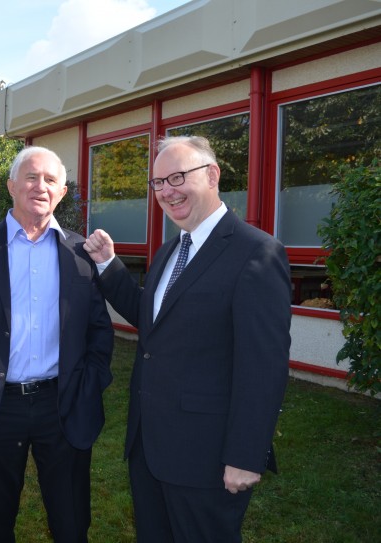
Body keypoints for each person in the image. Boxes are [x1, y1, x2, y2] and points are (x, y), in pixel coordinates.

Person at [84, 135, 291, 542]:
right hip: (150, 448)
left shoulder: (257, 253)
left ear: (212, 175)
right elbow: (155, 321)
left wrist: (246, 456)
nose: (166, 191)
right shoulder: (170, 250)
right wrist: (108, 265)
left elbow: (263, 366)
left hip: (207, 457)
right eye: (158, 183)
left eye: (177, 177)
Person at [0, 146, 114, 542]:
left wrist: (91, 382)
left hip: (63, 403)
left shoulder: (81, 253)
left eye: (51, 180)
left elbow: (99, 329)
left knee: (71, 521)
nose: (41, 186)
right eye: (31, 177)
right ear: (12, 185)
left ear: (62, 192)